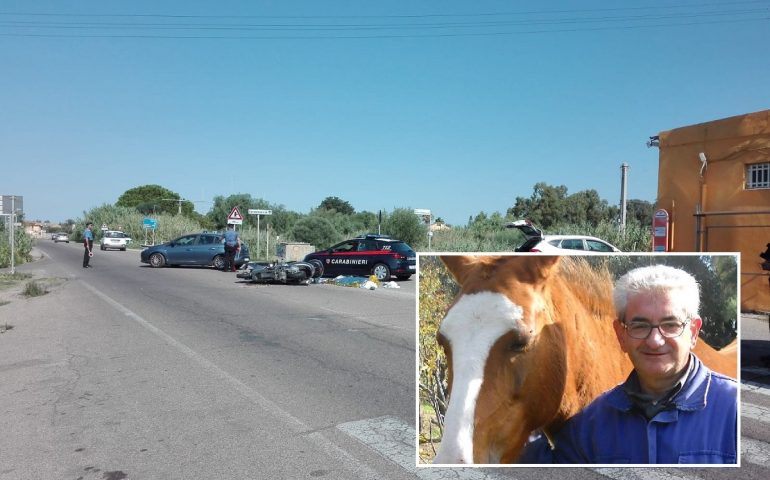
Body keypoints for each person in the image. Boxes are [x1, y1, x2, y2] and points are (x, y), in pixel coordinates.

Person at [550, 264, 737, 464]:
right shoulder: (589, 426)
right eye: (640, 326)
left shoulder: (734, 410)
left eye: (670, 325)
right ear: (620, 335)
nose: (655, 341)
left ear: (693, 331)